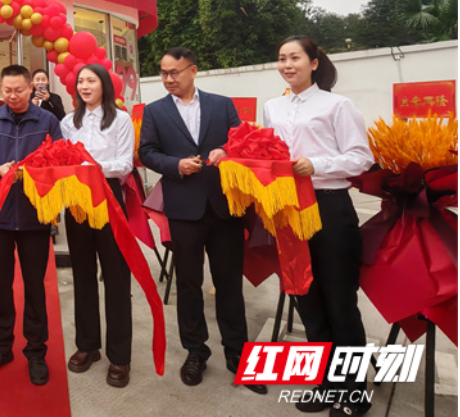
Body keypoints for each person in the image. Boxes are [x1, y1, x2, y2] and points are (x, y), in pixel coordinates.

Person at [138, 48, 264, 394]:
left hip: (224, 208)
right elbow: (146, 152)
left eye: (174, 72)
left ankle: (238, 355)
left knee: (229, 285)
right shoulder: (155, 111)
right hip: (183, 210)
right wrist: (174, 165)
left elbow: (241, 140)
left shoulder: (222, 105)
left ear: (193, 71)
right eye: (163, 73)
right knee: (189, 286)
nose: (167, 79)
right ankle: (196, 351)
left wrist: (228, 150)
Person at [264, 36, 374, 416]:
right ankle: (326, 383)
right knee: (306, 299)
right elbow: (268, 154)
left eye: (295, 57)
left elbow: (360, 157)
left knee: (340, 301)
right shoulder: (272, 107)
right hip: (288, 212)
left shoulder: (337, 105)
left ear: (314, 63)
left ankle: (354, 389)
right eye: (281, 58)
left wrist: (318, 165)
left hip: (328, 209)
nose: (287, 64)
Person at [0, 65, 62, 386]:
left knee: (35, 287)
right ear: (1, 88)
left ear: (30, 89)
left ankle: (36, 351)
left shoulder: (48, 121)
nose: (13, 96)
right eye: (7, 90)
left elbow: (60, 161)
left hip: (35, 217)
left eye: (19, 90)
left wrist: (36, 172)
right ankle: (2, 347)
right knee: (2, 285)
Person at [61, 64, 136, 387]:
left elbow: (124, 165)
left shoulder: (120, 119)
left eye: (91, 80)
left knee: (117, 279)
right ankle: (87, 345)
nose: (85, 86)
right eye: (80, 81)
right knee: (82, 276)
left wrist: (90, 166)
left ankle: (120, 357)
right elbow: (64, 162)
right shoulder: (68, 122)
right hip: (77, 204)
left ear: (105, 84)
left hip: (108, 202)